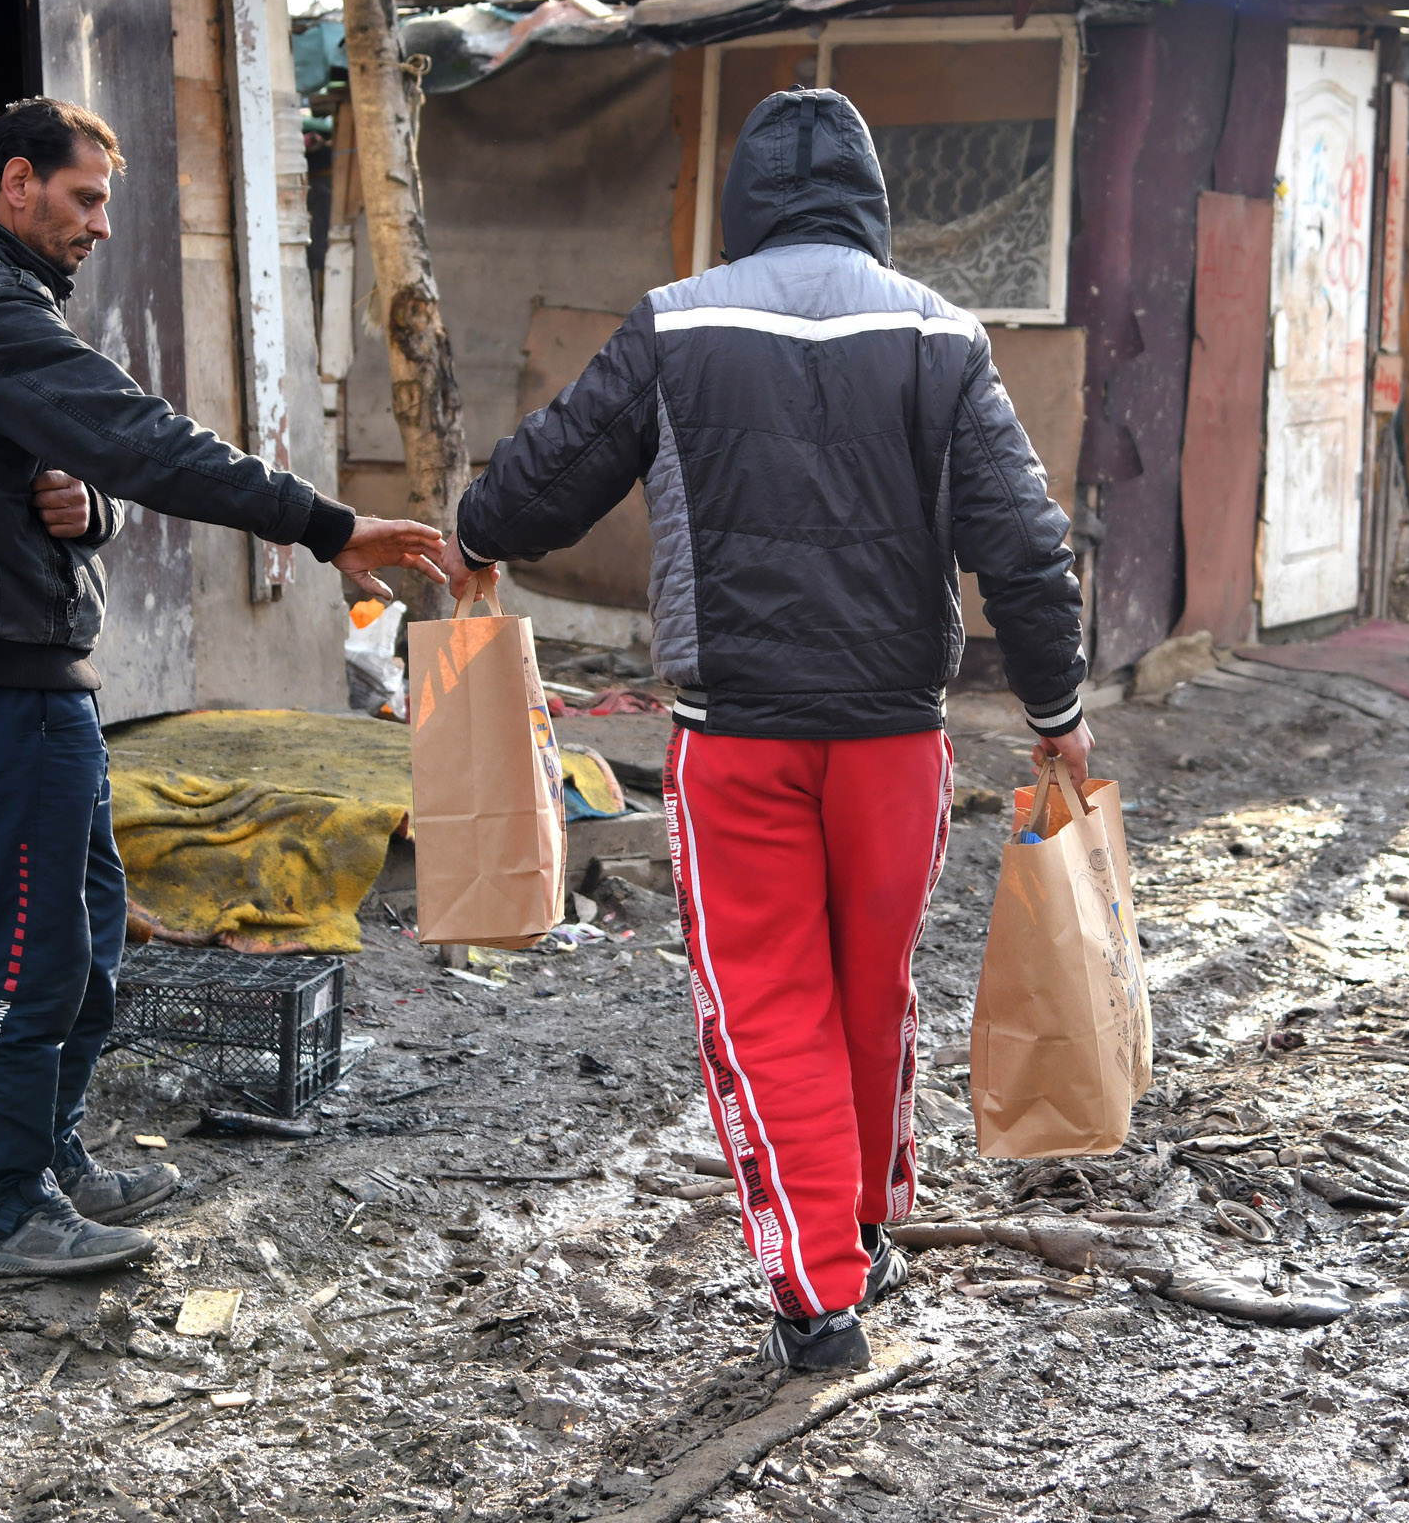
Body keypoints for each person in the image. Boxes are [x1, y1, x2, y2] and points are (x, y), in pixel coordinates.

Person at [435, 87, 1090, 1371]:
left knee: (766, 1004)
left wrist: (470, 535)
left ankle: (814, 1287)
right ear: (868, 204)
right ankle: (859, 1227)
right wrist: (1056, 710)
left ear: (744, 204)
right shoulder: (944, 332)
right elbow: (1024, 540)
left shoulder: (678, 322)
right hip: (899, 743)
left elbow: (551, 474)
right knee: (866, 988)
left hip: (735, 738)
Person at [0, 97, 444, 1280]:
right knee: (31, 949)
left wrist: (93, 510)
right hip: (3, 679)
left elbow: (91, 477)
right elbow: (143, 437)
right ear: (15, 182)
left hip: (31, 671)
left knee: (79, 932)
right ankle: (7, 1208)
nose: (98, 227)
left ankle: (52, 1157)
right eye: (82, 200)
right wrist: (323, 523)